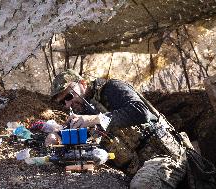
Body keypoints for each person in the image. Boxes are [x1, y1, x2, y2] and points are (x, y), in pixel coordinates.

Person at [51, 69, 191, 189]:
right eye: (63, 101)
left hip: (165, 156)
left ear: (82, 83)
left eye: (69, 96)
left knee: (142, 185)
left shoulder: (111, 88)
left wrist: (97, 119)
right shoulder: (82, 110)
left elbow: (141, 112)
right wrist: (58, 136)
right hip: (136, 168)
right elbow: (80, 135)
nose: (68, 103)